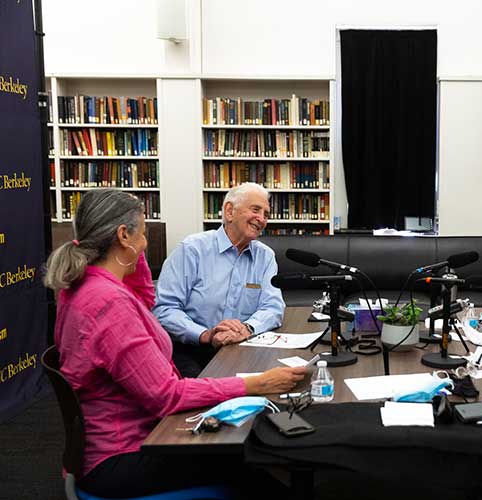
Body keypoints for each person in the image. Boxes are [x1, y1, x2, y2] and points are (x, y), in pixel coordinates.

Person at [44, 190, 305, 497]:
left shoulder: (84, 286)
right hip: (122, 455)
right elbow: (167, 395)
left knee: (246, 446)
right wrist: (256, 384)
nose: (146, 243)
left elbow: (146, 300)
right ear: (124, 235)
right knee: (251, 454)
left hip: (127, 438)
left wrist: (132, 257)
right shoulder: (109, 304)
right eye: (143, 233)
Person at [153, 182, 285, 377]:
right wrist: (205, 335)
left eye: (266, 214)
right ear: (229, 211)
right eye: (255, 210)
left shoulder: (265, 257)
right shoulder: (192, 249)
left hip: (242, 345)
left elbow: (272, 307)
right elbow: (164, 309)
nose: (262, 219)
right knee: (204, 399)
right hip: (192, 348)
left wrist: (247, 328)